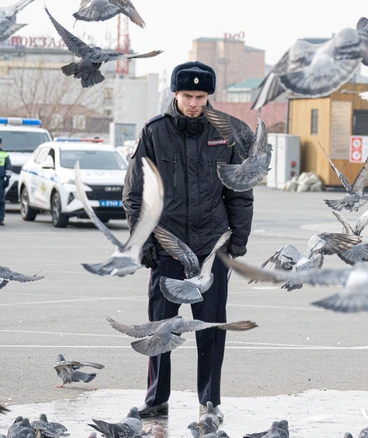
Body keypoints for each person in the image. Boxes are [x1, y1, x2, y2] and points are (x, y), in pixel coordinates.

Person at [122, 61, 254, 419]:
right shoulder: (154, 132)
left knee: (210, 328)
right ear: (175, 94)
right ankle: (156, 399)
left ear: (208, 95)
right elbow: (135, 195)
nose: (194, 102)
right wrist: (142, 241)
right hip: (166, 247)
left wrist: (239, 238)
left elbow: (239, 191)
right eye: (187, 96)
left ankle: (210, 402)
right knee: (160, 326)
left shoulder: (226, 133)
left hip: (212, 247)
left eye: (200, 96)